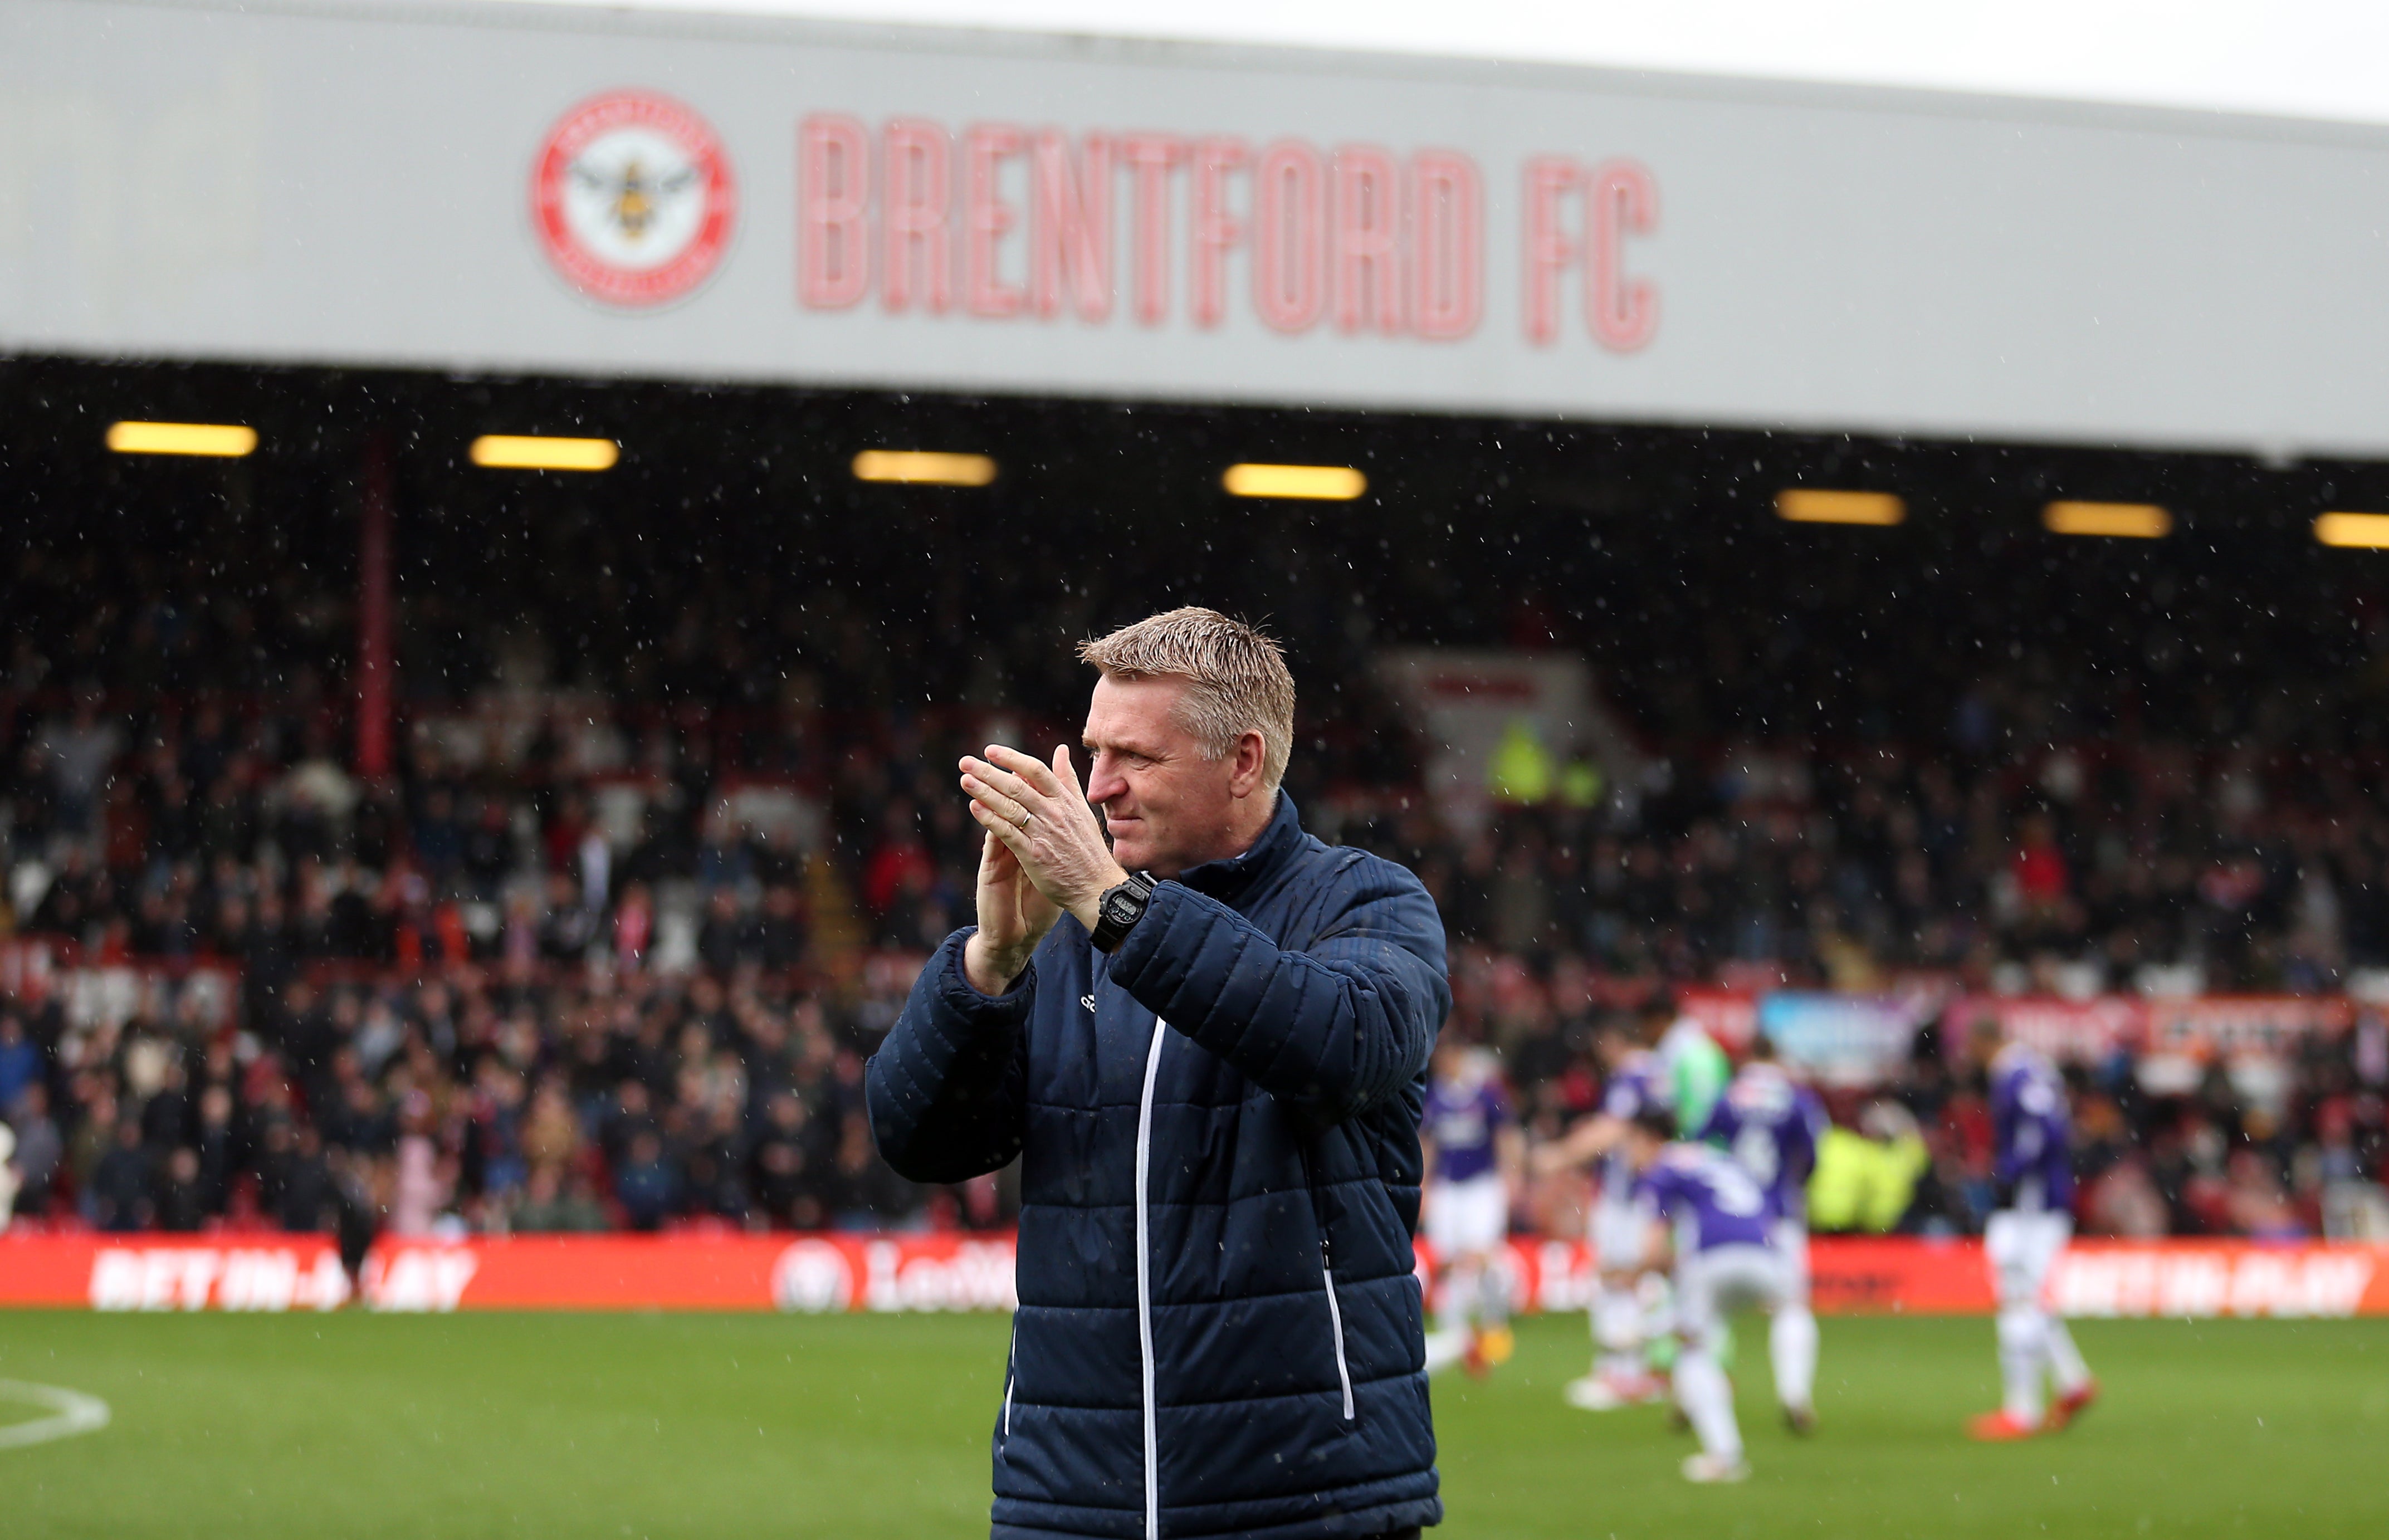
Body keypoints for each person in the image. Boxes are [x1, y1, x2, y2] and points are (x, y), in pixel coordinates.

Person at [867, 609, 1450, 1540]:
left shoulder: (1364, 903)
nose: (1099, 788)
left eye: (1135, 758)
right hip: (1067, 1500)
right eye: (1093, 752)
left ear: (1244, 762)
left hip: (1302, 1503)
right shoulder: (1057, 941)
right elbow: (918, 1140)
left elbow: (1342, 1043)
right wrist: (986, 965)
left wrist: (1113, 910)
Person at [1621, 1107, 1809, 1484]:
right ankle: (1793, 1390)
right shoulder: (1718, 1158)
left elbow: (1655, 1245)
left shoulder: (1662, 1168)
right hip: (1765, 1250)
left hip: (1710, 1257)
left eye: (1630, 1145)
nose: (1628, 1155)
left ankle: (1723, 1455)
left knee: (1692, 1349)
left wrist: (1629, 1275)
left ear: (1648, 1139)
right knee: (1791, 1309)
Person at [1532, 1008, 1674, 1410]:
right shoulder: (1658, 1072)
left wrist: (1558, 1155)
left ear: (1611, 1041)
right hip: (1650, 1190)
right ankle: (1651, 1369)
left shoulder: (1630, 1076)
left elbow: (1613, 1129)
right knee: (1638, 1278)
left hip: (1626, 1195)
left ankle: (1620, 1375)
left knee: (1616, 1278)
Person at [1966, 1020, 2099, 1440]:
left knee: (2018, 1299)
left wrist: (2011, 1172)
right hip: (2042, 1199)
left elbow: (2042, 1131)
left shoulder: (2016, 1074)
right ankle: (2072, 1380)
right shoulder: (2035, 1069)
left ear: (1982, 1042)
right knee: (2026, 1297)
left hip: (2031, 1204)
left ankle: (2021, 1410)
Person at [1699, 1033, 1825, 1434]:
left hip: (1731, 1217)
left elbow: (1701, 1149)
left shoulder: (1727, 1096)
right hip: (1780, 1214)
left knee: (1710, 1307)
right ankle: (1794, 1394)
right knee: (1790, 1305)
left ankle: (1702, 1391)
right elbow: (1813, 1156)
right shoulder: (1798, 1098)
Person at [1419, 1040, 1522, 1376]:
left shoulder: (1485, 1094)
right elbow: (1428, 1142)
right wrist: (1424, 1183)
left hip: (1482, 1185)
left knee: (1482, 1255)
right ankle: (1459, 1332)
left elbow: (1506, 1135)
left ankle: (1494, 1324)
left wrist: (1512, 1174)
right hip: (1447, 1187)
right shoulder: (1435, 1096)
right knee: (1449, 1259)